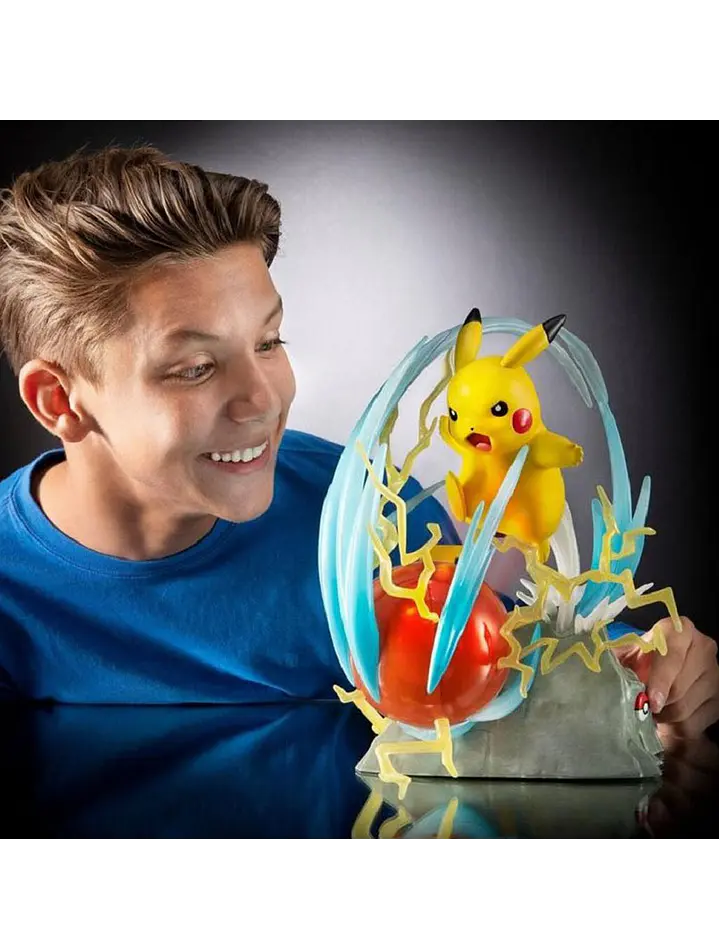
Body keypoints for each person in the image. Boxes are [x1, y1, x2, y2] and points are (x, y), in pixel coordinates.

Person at [0, 145, 717, 744]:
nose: (265, 399)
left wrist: (654, 668)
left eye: (268, 341)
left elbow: (530, 661)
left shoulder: (370, 521)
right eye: (194, 367)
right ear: (59, 400)